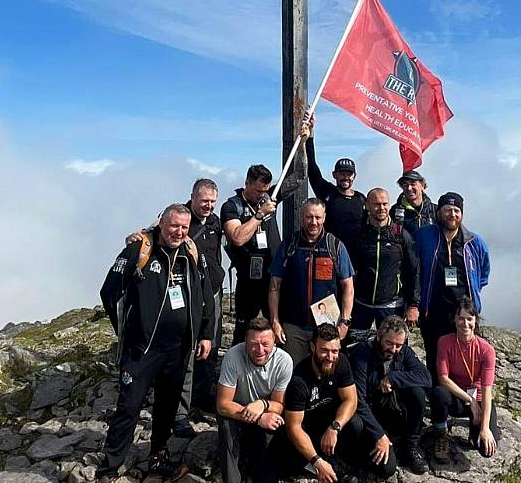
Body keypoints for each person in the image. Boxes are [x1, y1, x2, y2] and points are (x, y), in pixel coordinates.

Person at [97, 204, 215, 482]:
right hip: (141, 350)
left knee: (166, 408)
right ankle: (108, 470)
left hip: (178, 349)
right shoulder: (139, 250)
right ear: (161, 223)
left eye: (184, 227)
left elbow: (206, 293)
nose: (179, 232)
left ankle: (158, 458)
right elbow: (108, 292)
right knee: (128, 408)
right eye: (174, 225)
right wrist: (125, 332)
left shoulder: (190, 253)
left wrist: (206, 333)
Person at [124, 178, 224, 436]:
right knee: (186, 357)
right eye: (204, 201)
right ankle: (179, 414)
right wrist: (134, 238)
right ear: (192, 197)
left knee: (208, 349)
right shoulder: (176, 217)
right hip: (183, 293)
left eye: (213, 202)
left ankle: (200, 400)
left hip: (210, 291)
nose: (209, 206)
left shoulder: (214, 221)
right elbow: (150, 235)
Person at [221, 133, 308, 345]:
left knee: (276, 324)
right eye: (258, 190)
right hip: (248, 277)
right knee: (243, 328)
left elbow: (299, 176)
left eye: (265, 191)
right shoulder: (232, 206)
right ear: (247, 183)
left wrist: (303, 142)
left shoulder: (271, 196)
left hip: (273, 274)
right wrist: (259, 214)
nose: (262, 195)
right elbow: (237, 238)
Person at [414, 191, 490, 386]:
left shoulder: (474, 241)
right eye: (447, 210)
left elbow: (483, 273)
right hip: (433, 310)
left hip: (464, 311)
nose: (452, 214)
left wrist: (473, 296)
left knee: (465, 352)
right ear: (439, 212)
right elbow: (413, 269)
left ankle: (465, 395)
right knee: (434, 352)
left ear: (462, 214)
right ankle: (439, 395)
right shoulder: (423, 237)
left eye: (456, 210)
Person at [269, 198, 355, 363]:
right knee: (293, 375)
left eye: (317, 217)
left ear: (324, 218)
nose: (313, 222)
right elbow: (274, 286)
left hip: (327, 326)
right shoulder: (288, 245)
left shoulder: (335, 246)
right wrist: (275, 321)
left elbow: (348, 287)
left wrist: (344, 322)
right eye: (309, 217)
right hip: (294, 326)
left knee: (325, 372)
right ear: (302, 217)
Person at [348, 316, 431, 476]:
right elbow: (358, 400)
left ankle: (410, 445)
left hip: (393, 411)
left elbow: (426, 378)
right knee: (387, 469)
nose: (393, 349)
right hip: (370, 416)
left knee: (417, 393)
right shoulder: (361, 355)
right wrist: (379, 435)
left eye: (398, 345)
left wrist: (394, 378)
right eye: (389, 343)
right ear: (379, 336)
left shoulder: (403, 352)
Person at [281, 324, 364, 483]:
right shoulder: (299, 380)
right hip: (307, 427)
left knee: (356, 424)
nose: (330, 357)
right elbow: (293, 427)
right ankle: (316, 465)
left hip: (329, 423)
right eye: (324, 350)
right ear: (313, 347)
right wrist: (316, 461)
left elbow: (351, 399)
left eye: (335, 351)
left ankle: (342, 462)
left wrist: (335, 426)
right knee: (290, 457)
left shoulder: (341, 362)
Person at [216, 318, 293, 483]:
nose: (259, 350)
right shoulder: (233, 356)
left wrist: (262, 404)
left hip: (265, 412)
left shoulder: (284, 361)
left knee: (275, 428)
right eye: (253, 344)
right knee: (226, 426)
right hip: (237, 413)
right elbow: (223, 405)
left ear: (274, 341)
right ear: (245, 342)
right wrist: (257, 418)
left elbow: (279, 405)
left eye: (265, 344)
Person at [430, 297, 500, 462]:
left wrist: (485, 429)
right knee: (439, 393)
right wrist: (470, 400)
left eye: (469, 319)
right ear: (454, 319)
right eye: (461, 318)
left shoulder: (486, 350)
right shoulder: (445, 342)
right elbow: (443, 379)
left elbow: (487, 389)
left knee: (485, 449)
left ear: (476, 320)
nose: (465, 324)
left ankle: (479, 427)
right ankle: (441, 434)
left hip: (480, 397)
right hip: (459, 397)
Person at [349, 188, 420, 332]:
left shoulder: (401, 235)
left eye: (385, 204)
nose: (381, 208)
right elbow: (348, 271)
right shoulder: (358, 234)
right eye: (376, 204)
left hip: (392, 305)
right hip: (361, 304)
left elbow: (413, 271)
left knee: (393, 350)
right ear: (367, 206)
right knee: (355, 351)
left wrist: (413, 305)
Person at [304, 117, 367, 251]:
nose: (345, 177)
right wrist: (310, 136)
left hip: (357, 259)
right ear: (334, 175)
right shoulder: (327, 192)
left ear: (354, 176)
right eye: (341, 173)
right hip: (329, 253)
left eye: (349, 174)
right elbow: (312, 167)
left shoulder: (361, 199)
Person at [389, 170, 436, 235]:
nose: (409, 188)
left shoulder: (435, 210)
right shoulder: (393, 212)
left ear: (422, 186)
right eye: (405, 184)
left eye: (413, 184)